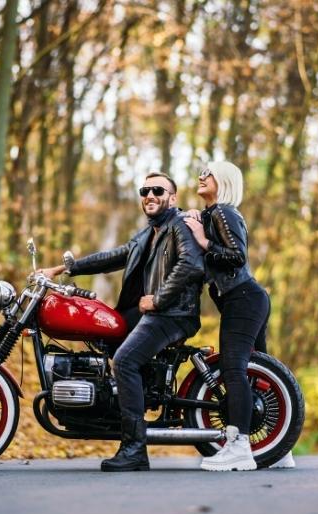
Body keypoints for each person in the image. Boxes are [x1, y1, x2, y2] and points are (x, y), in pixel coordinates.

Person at [38, 172, 204, 472]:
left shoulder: (179, 225)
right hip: (151, 312)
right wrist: (63, 269)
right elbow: (113, 257)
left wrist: (158, 299)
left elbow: (191, 265)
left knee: (125, 361)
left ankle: (134, 449)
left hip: (173, 313)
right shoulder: (148, 233)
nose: (150, 195)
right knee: (105, 332)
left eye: (157, 190)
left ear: (173, 197)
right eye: (145, 190)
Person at [183, 160, 294, 471]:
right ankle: (278, 450)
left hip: (243, 300)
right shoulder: (215, 214)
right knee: (259, 374)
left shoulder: (223, 211)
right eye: (201, 173)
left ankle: (240, 446)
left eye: (208, 173)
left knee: (235, 370)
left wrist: (203, 242)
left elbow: (235, 256)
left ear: (224, 180)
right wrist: (197, 220)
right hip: (248, 298)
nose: (201, 176)